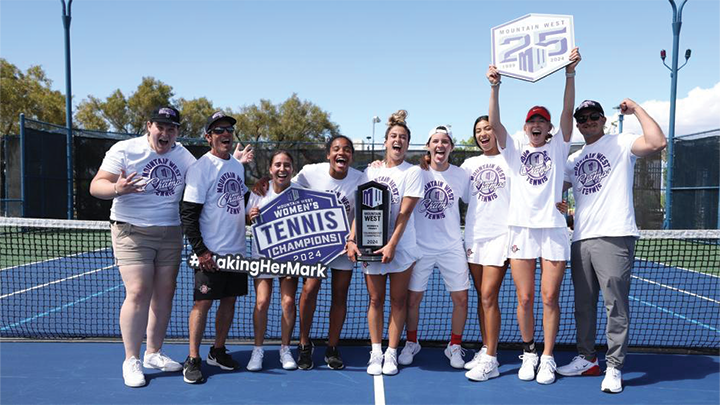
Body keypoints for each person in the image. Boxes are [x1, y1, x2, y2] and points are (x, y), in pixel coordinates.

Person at [558, 99, 666, 393]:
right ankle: (587, 359)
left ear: (603, 119)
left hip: (615, 235)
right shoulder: (574, 159)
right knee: (583, 305)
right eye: (582, 117)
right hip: (580, 238)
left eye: (594, 116)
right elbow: (550, 189)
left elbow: (657, 142)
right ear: (577, 123)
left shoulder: (621, 142)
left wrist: (637, 110)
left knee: (614, 305)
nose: (588, 121)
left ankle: (614, 367)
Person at [487, 47, 581, 385]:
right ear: (525, 128)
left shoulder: (558, 146)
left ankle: (547, 357)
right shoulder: (514, 147)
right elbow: (494, 123)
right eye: (532, 121)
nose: (537, 124)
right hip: (522, 230)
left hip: (554, 230)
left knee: (549, 297)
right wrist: (495, 86)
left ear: (550, 128)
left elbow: (568, 110)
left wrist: (569, 73)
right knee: (525, 298)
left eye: (542, 120)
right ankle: (528, 351)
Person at [90, 106, 196, 387]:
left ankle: (153, 352)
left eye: (171, 128)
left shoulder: (183, 155)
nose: (165, 133)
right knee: (138, 291)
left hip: (171, 231)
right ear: (149, 126)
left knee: (165, 292)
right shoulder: (124, 150)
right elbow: (96, 185)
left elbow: (204, 180)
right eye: (160, 126)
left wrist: (231, 163)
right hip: (131, 230)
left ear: (177, 132)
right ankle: (131, 359)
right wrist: (117, 188)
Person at [346, 110, 422, 376]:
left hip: (402, 248)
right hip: (371, 248)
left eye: (402, 137)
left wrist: (391, 245)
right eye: (393, 136)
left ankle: (391, 353)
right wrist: (352, 239)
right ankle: (376, 351)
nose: (397, 140)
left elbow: (405, 213)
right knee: (375, 300)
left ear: (407, 144)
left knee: (398, 301)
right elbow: (361, 208)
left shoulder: (413, 172)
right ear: (386, 142)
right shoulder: (371, 170)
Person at [180, 111, 253, 384]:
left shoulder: (236, 166)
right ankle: (193, 358)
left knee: (229, 302)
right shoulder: (201, 168)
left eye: (229, 130)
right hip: (210, 255)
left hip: (237, 252)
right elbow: (188, 214)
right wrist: (201, 252)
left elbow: (241, 202)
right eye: (219, 130)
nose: (226, 134)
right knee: (202, 303)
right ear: (209, 137)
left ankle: (218, 350)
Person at [397, 125, 471, 369]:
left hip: (452, 247)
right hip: (420, 247)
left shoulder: (461, 175)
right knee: (412, 300)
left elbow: (478, 202)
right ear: (428, 146)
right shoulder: (416, 172)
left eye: (445, 141)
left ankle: (455, 345)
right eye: (435, 141)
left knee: (461, 299)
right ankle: (411, 342)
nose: (440, 145)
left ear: (451, 146)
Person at [292, 135, 364, 369]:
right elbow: (284, 188)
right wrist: (265, 183)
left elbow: (361, 211)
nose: (341, 153)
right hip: (316, 247)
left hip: (344, 247)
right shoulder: (310, 172)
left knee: (340, 295)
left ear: (352, 156)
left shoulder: (360, 178)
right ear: (328, 154)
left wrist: (352, 239)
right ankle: (304, 344)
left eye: (346, 150)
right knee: (309, 288)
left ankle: (332, 347)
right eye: (336, 149)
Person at [460, 115, 511, 381]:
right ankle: (485, 347)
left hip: (500, 237)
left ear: (496, 131)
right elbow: (442, 175)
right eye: (478, 130)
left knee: (489, 296)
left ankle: (491, 359)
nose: (483, 133)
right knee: (482, 297)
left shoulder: (510, 158)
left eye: (487, 128)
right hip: (473, 238)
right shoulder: (469, 164)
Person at [245, 151, 300, 372]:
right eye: (277, 165)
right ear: (270, 169)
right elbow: (245, 219)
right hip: (263, 257)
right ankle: (257, 350)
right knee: (262, 302)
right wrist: (250, 216)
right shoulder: (259, 192)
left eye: (287, 165)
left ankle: (285, 349)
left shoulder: (300, 194)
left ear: (292, 169)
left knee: (288, 302)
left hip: (290, 257)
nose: (282, 169)